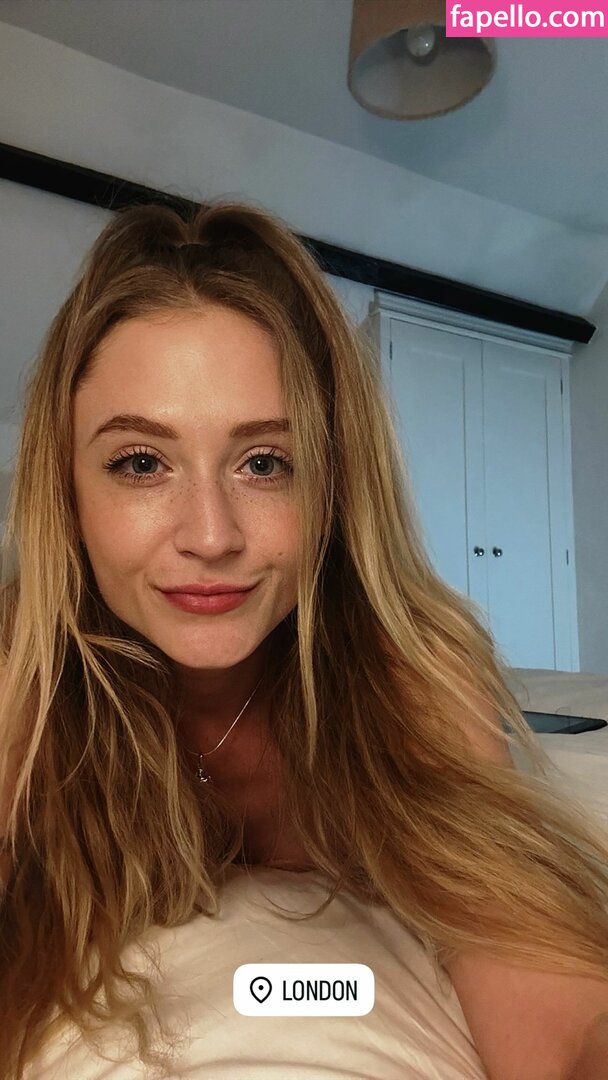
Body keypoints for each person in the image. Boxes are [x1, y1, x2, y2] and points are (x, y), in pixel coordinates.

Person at [0, 199, 607, 1080]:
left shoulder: (406, 673)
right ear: (67, 490)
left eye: (264, 463)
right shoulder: (27, 671)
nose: (211, 535)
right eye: (141, 462)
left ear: (332, 487)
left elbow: (549, 993)